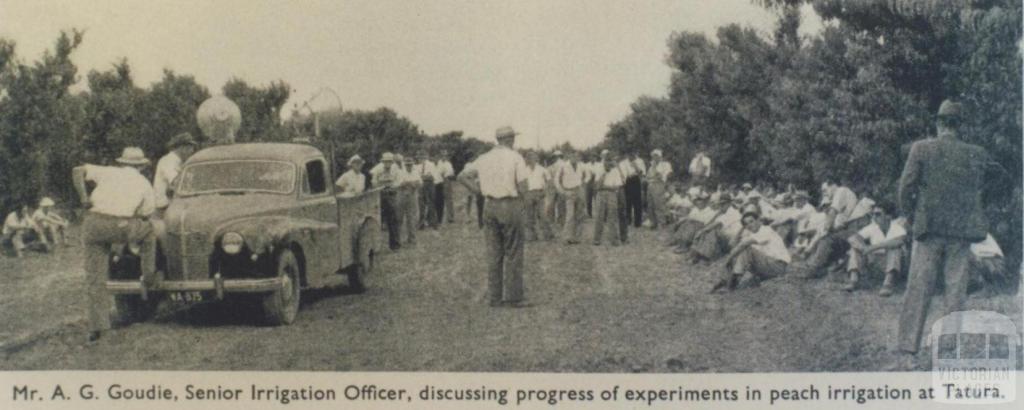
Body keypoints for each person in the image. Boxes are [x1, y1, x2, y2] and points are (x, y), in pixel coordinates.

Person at [895, 99, 995, 361]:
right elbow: (1000, 180)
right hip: (961, 231)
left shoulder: (921, 149)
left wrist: (911, 215)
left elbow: (905, 188)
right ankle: (949, 348)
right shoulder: (976, 153)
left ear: (939, 124)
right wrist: (977, 205)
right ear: (958, 126)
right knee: (955, 289)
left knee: (919, 287)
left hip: (928, 229)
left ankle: (908, 346)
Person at [72, 147, 157, 343]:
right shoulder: (144, 183)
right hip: (122, 225)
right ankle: (149, 275)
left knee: (95, 278)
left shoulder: (107, 171)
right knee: (150, 231)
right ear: (142, 167)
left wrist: (84, 198)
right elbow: (146, 214)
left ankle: (98, 328)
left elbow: (77, 170)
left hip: (93, 224)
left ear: (122, 163)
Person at [457, 126, 530, 307]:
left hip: (489, 206)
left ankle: (494, 297)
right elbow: (523, 187)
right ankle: (514, 298)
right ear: (511, 139)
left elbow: (461, 176)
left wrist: (480, 192)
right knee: (513, 252)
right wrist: (524, 204)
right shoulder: (515, 157)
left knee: (494, 252)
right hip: (509, 204)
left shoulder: (484, 158)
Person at [711, 210, 790, 293]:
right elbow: (732, 243)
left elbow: (743, 244)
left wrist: (728, 259)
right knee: (739, 252)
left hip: (777, 266)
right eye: (746, 224)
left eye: (751, 221)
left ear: (759, 220)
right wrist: (742, 228)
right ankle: (725, 281)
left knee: (745, 250)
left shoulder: (766, 230)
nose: (749, 225)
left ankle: (731, 286)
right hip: (766, 266)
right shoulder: (753, 234)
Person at [843, 203, 907, 294]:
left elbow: (899, 241)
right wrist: (863, 248)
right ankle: (853, 280)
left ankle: (888, 284)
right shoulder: (873, 227)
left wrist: (872, 247)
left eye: (878, 214)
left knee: (895, 249)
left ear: (888, 216)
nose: (874, 217)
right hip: (876, 263)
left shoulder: (897, 227)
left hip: (894, 267)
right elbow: (852, 238)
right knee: (855, 249)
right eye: (873, 214)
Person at [153, 132, 197, 218]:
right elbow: (176, 182)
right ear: (182, 147)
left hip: (172, 205)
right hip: (164, 208)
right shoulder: (168, 161)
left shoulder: (178, 162)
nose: (191, 151)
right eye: (190, 148)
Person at [691, 193, 742, 263]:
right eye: (720, 204)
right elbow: (708, 224)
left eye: (724, 204)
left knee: (712, 231)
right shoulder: (724, 213)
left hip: (733, 242)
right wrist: (717, 214)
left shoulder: (732, 212)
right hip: (727, 239)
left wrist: (701, 231)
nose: (721, 206)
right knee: (709, 231)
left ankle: (705, 257)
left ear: (729, 203)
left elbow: (714, 225)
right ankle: (699, 255)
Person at [371, 152, 403, 250]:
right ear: (382, 162)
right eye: (385, 162)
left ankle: (395, 245)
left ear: (392, 162)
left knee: (393, 219)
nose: (387, 164)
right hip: (380, 194)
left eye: (389, 162)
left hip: (391, 194)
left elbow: (400, 180)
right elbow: (373, 181)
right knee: (376, 219)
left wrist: (392, 185)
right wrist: (379, 185)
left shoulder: (396, 169)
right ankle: (374, 246)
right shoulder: (378, 169)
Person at [592, 150, 625, 246]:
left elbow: (617, 187)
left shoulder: (615, 170)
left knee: (613, 217)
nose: (608, 162)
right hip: (601, 194)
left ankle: (614, 239)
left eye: (610, 160)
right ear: (604, 160)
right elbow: (597, 186)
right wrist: (605, 173)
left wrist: (605, 186)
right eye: (606, 160)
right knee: (599, 217)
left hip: (612, 195)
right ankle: (596, 239)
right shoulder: (599, 169)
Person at [555, 152, 586, 244]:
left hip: (579, 190)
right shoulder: (563, 166)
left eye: (577, 156)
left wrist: (583, 184)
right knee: (570, 215)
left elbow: (587, 175)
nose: (575, 158)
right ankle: (566, 237)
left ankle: (577, 237)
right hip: (569, 191)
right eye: (573, 156)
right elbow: (556, 180)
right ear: (569, 156)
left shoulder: (581, 166)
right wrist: (562, 191)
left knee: (580, 215)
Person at [523, 151, 554, 241]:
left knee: (543, 215)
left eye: (532, 157)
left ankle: (548, 234)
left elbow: (549, 181)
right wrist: (525, 194)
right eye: (528, 158)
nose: (530, 159)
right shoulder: (524, 170)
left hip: (540, 193)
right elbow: (522, 183)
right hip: (529, 194)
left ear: (536, 159)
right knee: (529, 216)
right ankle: (531, 236)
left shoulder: (542, 169)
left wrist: (545, 191)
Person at [646, 149, 672, 229]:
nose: (655, 157)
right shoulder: (651, 166)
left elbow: (665, 175)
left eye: (656, 156)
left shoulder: (665, 164)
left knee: (659, 204)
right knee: (650, 205)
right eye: (653, 156)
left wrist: (658, 176)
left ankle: (662, 223)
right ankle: (653, 222)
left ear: (660, 156)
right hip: (651, 185)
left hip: (659, 185)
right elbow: (648, 176)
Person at [399, 155, 422, 245]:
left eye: (410, 164)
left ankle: (412, 238)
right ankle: (399, 239)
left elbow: (420, 183)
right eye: (407, 164)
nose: (409, 166)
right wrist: (409, 183)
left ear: (412, 165)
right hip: (402, 195)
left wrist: (412, 184)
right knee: (400, 218)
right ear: (404, 165)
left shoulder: (415, 172)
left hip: (413, 195)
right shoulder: (401, 172)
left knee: (411, 217)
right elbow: (399, 184)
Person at [621, 152, 645, 228]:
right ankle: (628, 220)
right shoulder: (624, 162)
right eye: (629, 154)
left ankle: (638, 222)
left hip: (636, 181)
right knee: (628, 202)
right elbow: (622, 174)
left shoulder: (640, 161)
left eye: (633, 154)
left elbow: (642, 173)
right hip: (627, 182)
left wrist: (636, 166)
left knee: (637, 202)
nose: (631, 156)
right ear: (627, 155)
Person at [415, 151, 437, 229]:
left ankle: (432, 222)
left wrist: (424, 176)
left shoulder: (431, 164)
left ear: (426, 157)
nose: (421, 159)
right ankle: (421, 223)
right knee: (421, 204)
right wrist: (424, 176)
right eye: (420, 157)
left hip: (429, 185)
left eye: (423, 157)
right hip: (421, 185)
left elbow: (432, 176)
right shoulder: (417, 166)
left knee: (430, 203)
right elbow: (417, 177)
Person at [436, 150, 456, 223]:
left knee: (449, 200)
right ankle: (439, 218)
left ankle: (450, 217)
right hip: (439, 182)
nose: (444, 157)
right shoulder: (439, 163)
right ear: (440, 156)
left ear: (447, 156)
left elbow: (452, 173)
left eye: (445, 155)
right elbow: (438, 172)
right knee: (440, 200)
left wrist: (447, 175)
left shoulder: (448, 164)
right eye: (442, 155)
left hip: (447, 181)